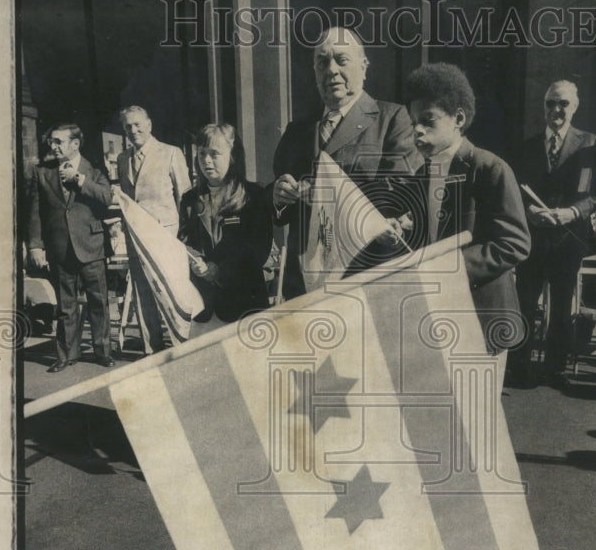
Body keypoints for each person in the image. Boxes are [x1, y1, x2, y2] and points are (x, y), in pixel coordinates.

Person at [271, 25, 419, 298]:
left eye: (342, 59)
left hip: (363, 273)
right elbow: (279, 211)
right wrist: (280, 198)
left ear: (364, 66)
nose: (331, 70)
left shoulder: (392, 119)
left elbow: (400, 192)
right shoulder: (297, 130)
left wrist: (326, 194)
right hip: (305, 283)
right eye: (322, 62)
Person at [405, 63, 531, 378]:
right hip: (435, 319)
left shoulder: (489, 168)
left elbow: (514, 243)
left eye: (428, 120)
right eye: (413, 123)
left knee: (478, 417)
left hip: (482, 316)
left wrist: (452, 267)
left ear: (459, 119)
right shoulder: (422, 174)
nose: (417, 130)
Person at [509, 80, 596, 387]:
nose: (556, 110)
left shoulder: (590, 143)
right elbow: (517, 194)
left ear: (574, 107)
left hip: (568, 239)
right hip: (535, 238)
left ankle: (556, 368)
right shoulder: (527, 147)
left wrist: (570, 213)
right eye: (550, 103)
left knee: (563, 306)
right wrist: (530, 213)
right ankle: (519, 366)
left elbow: (592, 195)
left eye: (563, 103)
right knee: (525, 301)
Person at [27, 123, 115, 372]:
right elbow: (34, 214)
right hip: (59, 248)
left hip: (91, 245)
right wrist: (35, 246)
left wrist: (79, 180)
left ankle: (102, 351)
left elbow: (106, 198)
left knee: (99, 302)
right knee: (66, 305)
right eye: (51, 142)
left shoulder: (93, 170)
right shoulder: (41, 172)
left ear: (75, 144)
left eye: (58, 142)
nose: (52, 146)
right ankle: (66, 355)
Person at [178, 123, 273, 323]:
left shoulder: (253, 195)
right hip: (204, 305)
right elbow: (184, 242)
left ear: (232, 155)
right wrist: (197, 262)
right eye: (201, 153)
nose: (206, 160)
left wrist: (220, 270)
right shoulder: (189, 199)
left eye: (214, 154)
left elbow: (258, 248)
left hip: (243, 304)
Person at [116, 105, 191, 353]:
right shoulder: (122, 158)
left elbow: (186, 198)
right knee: (142, 292)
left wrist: (184, 235)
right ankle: (152, 349)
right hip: (136, 237)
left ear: (149, 124)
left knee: (172, 291)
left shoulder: (171, 153)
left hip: (166, 236)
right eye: (128, 126)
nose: (133, 130)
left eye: (138, 124)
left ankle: (182, 345)